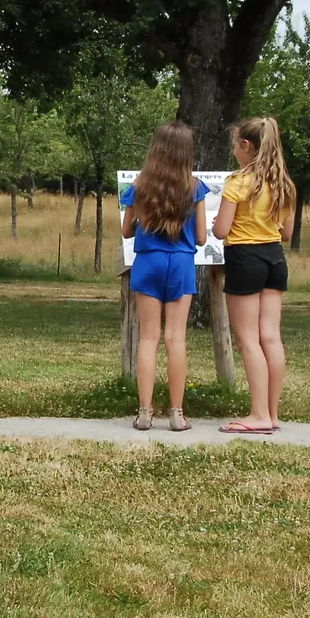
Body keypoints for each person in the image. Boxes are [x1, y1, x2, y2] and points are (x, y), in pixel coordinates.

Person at [120, 122, 209, 431]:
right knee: (175, 338)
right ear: (187, 152)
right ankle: (176, 414)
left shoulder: (140, 185)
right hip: (181, 263)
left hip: (148, 262)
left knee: (148, 337)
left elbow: (126, 230)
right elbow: (200, 238)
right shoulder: (195, 187)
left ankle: (144, 413)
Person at [211, 116, 295, 434]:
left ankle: (258, 414)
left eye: (235, 145)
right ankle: (272, 413)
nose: (233, 151)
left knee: (247, 339)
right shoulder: (284, 184)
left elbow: (221, 229)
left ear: (246, 146)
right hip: (275, 259)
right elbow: (286, 233)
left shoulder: (238, 182)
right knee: (270, 336)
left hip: (244, 258)